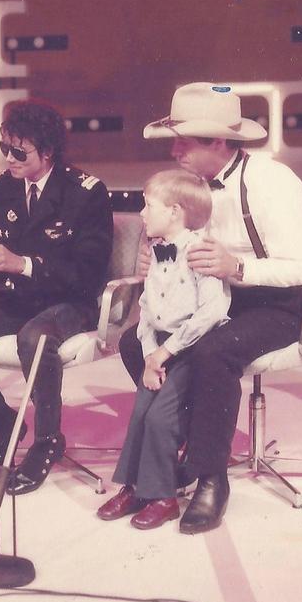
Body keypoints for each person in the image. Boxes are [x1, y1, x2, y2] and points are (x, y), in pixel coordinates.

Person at [101, 82, 302, 533]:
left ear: (218, 142)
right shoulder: (186, 184)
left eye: (184, 140)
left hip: (272, 301)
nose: (174, 148)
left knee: (213, 351)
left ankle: (210, 476)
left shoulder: (270, 181)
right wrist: (152, 256)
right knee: (132, 347)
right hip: (210, 295)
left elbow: (301, 268)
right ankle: (165, 455)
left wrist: (236, 267)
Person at [0, 99, 114, 495]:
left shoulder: (85, 193)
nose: (9, 159)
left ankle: (47, 440)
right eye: (4, 149)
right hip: (16, 298)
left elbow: (87, 274)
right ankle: (4, 420)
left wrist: (24, 264)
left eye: (19, 152)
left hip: (70, 302)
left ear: (48, 151)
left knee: (34, 338)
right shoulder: (1, 189)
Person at [96, 170, 230, 529]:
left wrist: (164, 353)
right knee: (140, 412)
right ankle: (135, 486)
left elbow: (212, 313)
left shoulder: (201, 252)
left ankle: (165, 496)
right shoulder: (158, 252)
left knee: (160, 418)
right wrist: (148, 355)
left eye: (148, 205)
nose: (141, 213)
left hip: (190, 349)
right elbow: (148, 312)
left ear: (174, 211)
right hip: (160, 350)